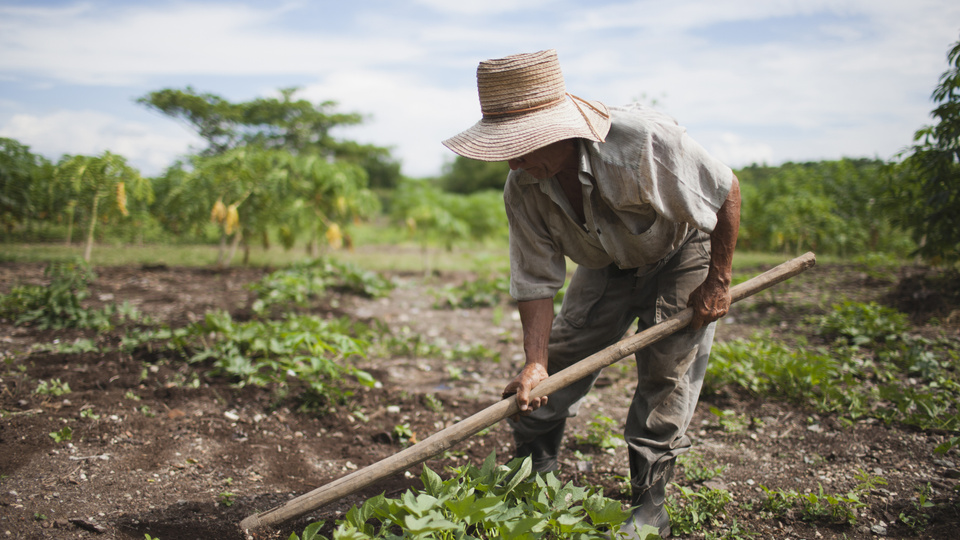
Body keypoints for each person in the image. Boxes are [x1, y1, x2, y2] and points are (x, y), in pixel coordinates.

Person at [442, 49, 740, 538]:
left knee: (667, 372)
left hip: (680, 252)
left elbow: (726, 191)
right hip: (604, 265)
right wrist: (534, 361)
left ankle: (650, 506)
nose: (513, 158)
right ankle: (535, 471)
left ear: (560, 129)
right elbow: (535, 279)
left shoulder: (643, 141)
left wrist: (718, 281)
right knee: (554, 366)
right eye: (505, 146)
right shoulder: (523, 186)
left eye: (522, 143)